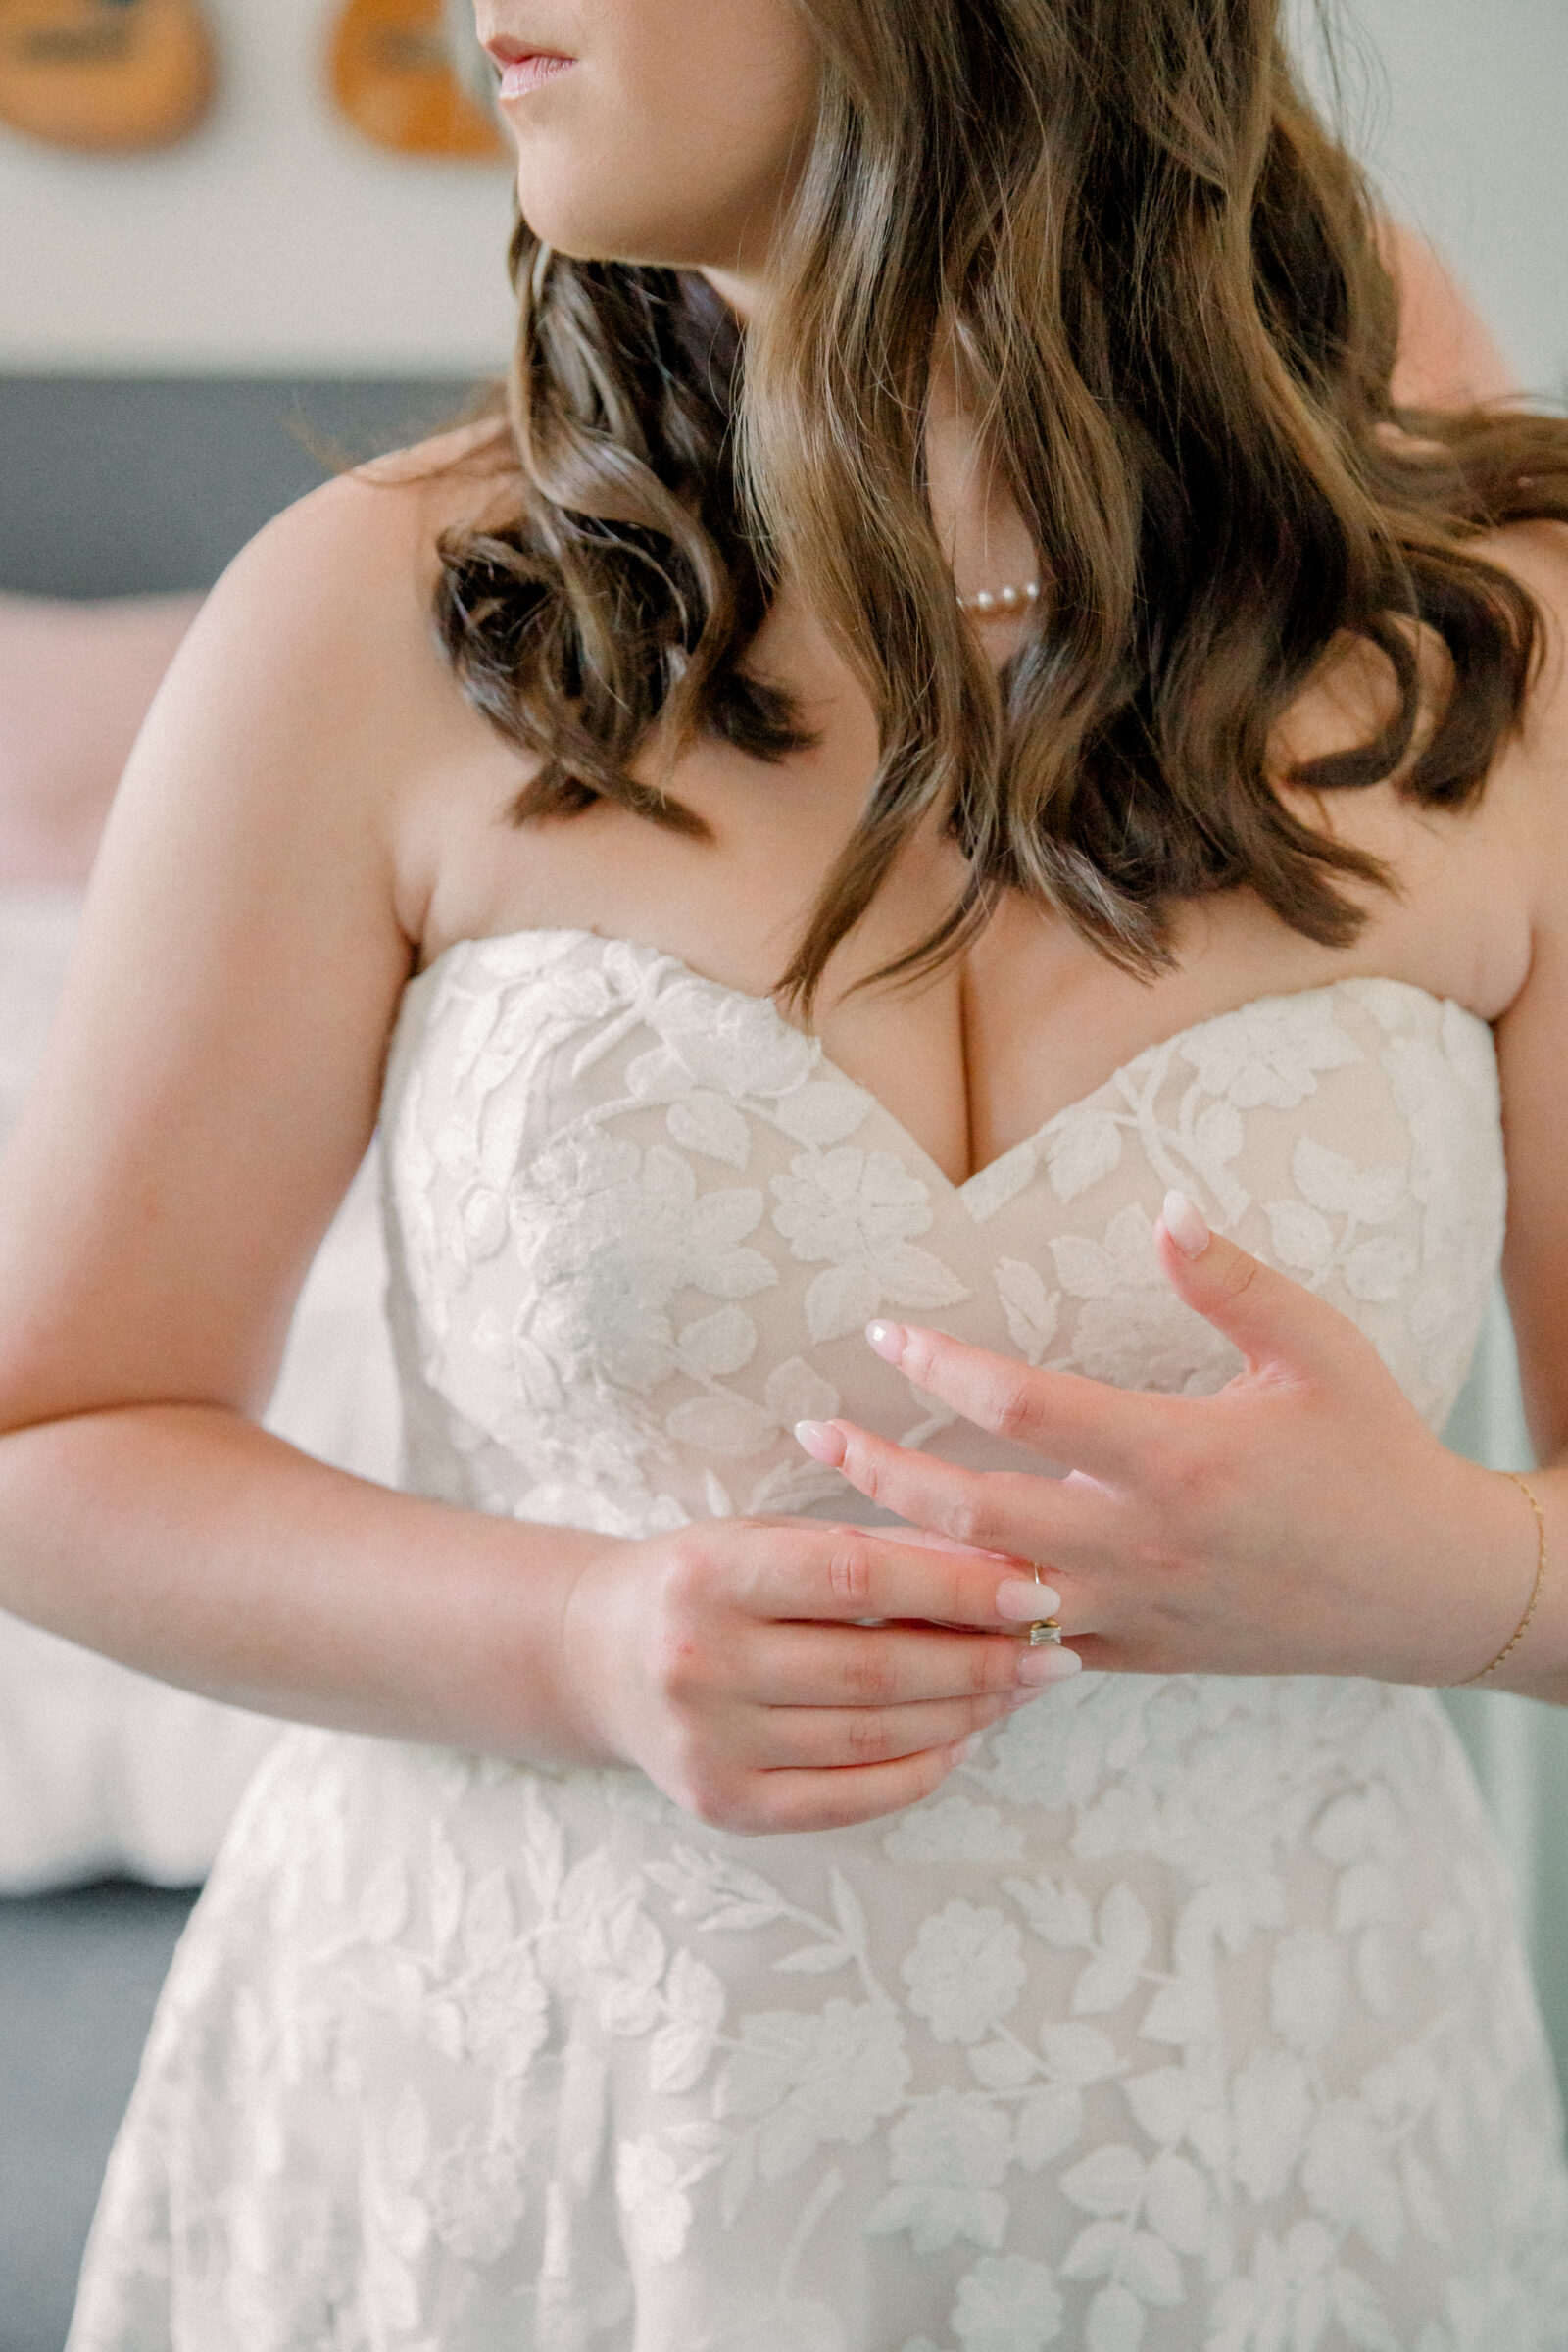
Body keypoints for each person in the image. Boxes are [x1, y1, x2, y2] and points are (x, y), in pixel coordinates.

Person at [0, 0, 1565, 2341]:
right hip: (527, 2158)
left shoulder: (1494, 640)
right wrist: (572, 1644)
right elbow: (52, 1440)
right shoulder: (371, 619)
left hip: (1276, 2156)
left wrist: (1445, 1571)